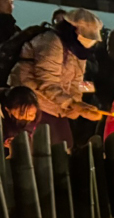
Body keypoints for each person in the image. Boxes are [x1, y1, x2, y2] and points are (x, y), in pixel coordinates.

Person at [8, 8, 103, 146]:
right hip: (33, 104)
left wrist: (78, 106)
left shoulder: (78, 49)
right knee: (42, 151)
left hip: (55, 105)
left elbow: (76, 82)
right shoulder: (51, 42)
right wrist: (73, 104)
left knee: (65, 146)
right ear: (73, 29)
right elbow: (47, 82)